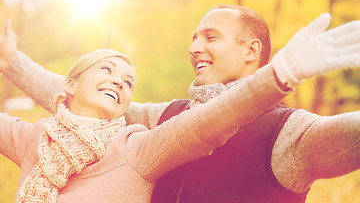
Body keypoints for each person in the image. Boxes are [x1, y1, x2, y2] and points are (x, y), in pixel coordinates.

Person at [2, 5, 360, 203]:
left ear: (251, 50)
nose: (193, 48)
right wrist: (12, 61)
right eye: (193, 38)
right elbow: (85, 100)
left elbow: (350, 136)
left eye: (210, 37)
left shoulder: (291, 132)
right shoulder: (162, 118)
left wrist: (284, 73)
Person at [0, 45, 292, 203]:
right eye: (106, 69)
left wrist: (278, 77)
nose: (119, 81)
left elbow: (206, 123)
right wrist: (10, 59)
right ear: (71, 85)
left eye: (128, 82)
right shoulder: (34, 138)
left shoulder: (135, 149)